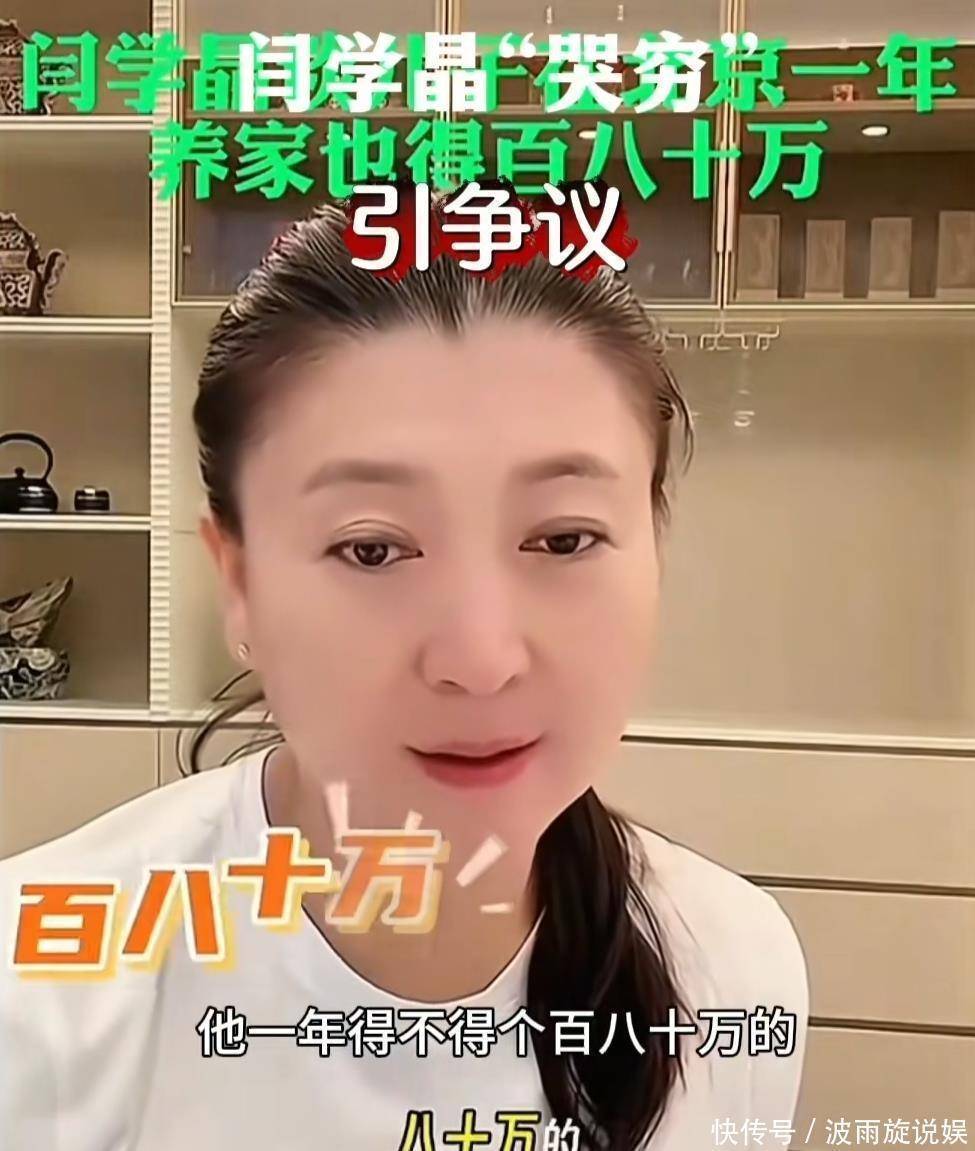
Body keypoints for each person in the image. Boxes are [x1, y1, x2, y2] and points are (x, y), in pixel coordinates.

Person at [0, 200, 808, 1151]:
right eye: (373, 549)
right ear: (240, 585)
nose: (480, 660)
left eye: (563, 538)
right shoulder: (38, 991)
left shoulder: (730, 965)